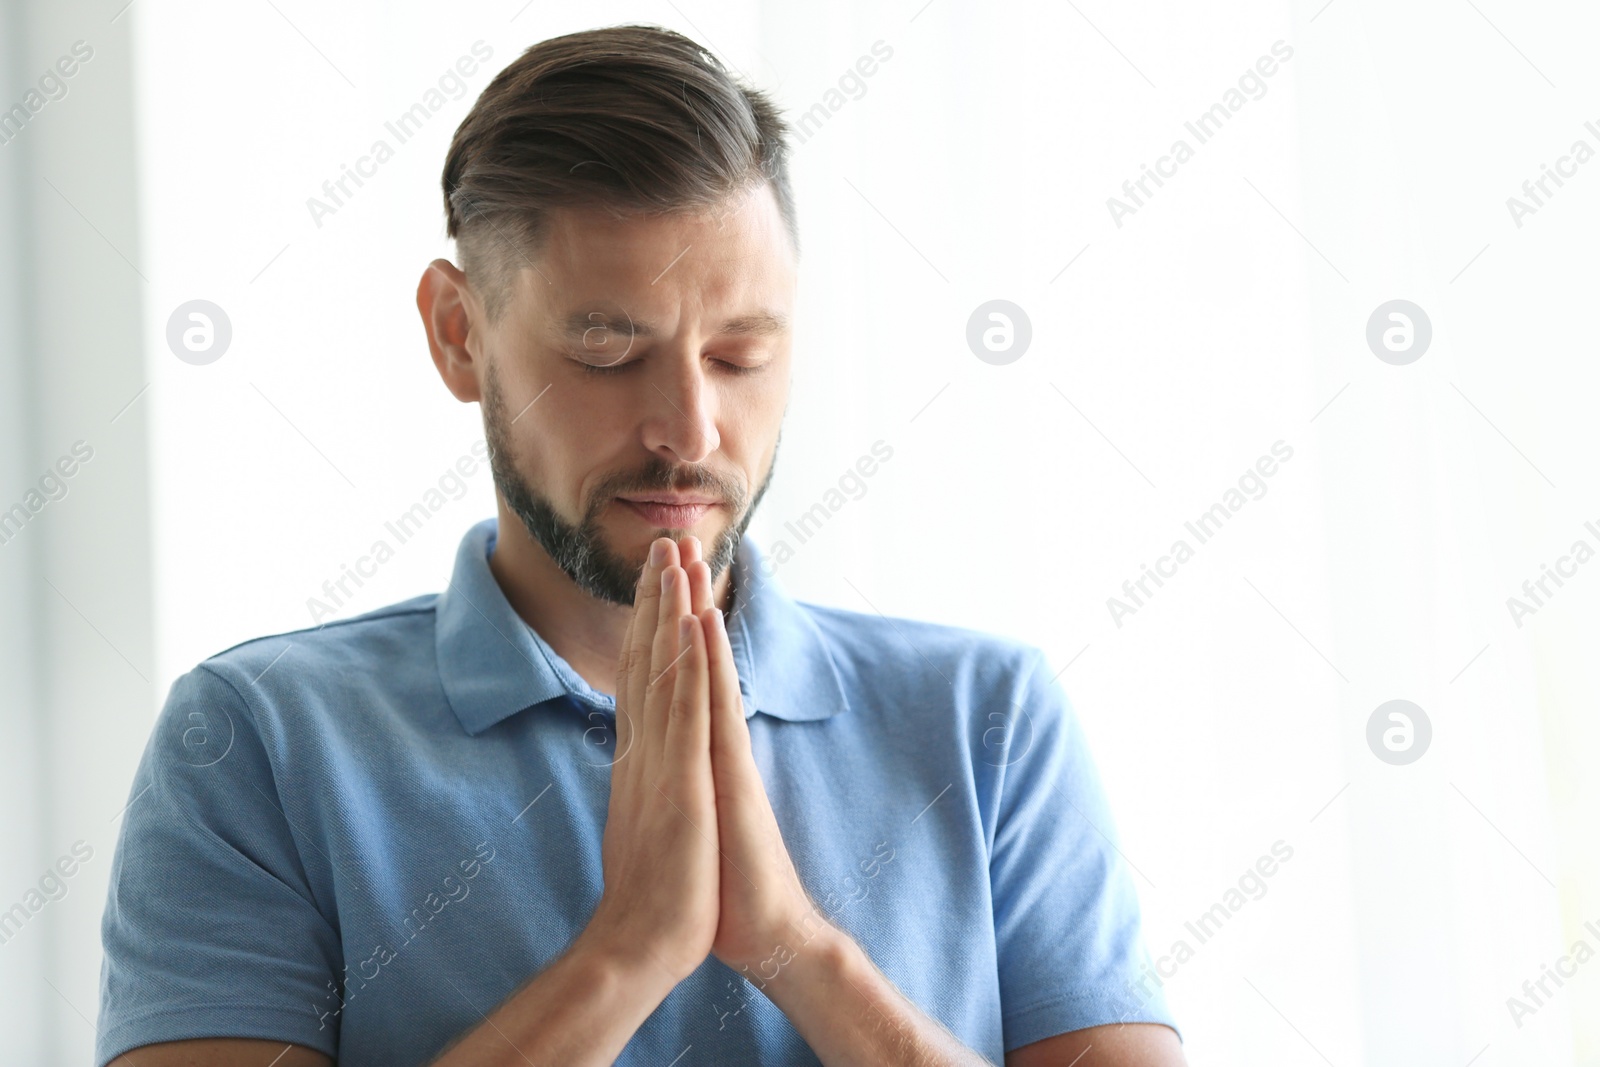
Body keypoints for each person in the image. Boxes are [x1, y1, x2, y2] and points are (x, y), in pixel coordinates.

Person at [96, 23, 1185, 1067]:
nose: (691, 430)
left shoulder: (986, 718)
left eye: (741, 354)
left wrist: (797, 949)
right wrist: (628, 952)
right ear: (458, 332)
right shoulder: (259, 740)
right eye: (610, 353)